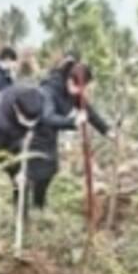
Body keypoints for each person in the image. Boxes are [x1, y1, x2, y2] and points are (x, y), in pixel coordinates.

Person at [26, 58, 110, 213]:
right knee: (36, 172)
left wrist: (106, 130)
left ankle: (38, 203)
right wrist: (73, 121)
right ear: (69, 80)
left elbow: (89, 112)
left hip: (50, 134)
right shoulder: (48, 90)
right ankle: (27, 209)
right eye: (80, 87)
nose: (81, 92)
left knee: (50, 170)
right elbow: (47, 117)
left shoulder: (72, 91)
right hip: (34, 134)